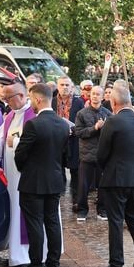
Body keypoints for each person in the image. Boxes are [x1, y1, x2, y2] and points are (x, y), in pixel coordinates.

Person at [12, 83, 70, 267]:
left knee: (35, 224)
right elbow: (67, 157)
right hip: (54, 180)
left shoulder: (34, 124)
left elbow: (20, 154)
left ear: (37, 99)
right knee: (53, 223)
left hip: (33, 181)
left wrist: (24, 169)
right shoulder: (63, 124)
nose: (31, 104)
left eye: (31, 99)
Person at [95, 85, 134, 267]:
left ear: (113, 102)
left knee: (116, 221)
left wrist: (106, 169)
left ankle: (116, 264)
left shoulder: (113, 121)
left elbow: (101, 154)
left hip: (115, 178)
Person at [0, 83, 42, 267]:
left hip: (29, 176)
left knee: (29, 215)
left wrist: (17, 140)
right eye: (4, 98)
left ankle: (30, 257)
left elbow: (38, 143)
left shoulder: (34, 115)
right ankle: (18, 255)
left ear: (21, 95)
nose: (6, 102)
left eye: (9, 98)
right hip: (12, 176)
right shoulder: (11, 115)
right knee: (15, 210)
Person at [74, 85, 112, 221]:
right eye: (93, 94)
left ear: (103, 97)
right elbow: (78, 132)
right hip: (87, 155)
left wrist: (105, 128)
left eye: (98, 94)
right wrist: (95, 128)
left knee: (103, 185)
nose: (95, 96)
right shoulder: (82, 113)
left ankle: (102, 210)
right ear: (90, 96)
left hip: (103, 155)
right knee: (83, 185)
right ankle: (82, 210)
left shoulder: (108, 113)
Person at [52, 76, 84, 211]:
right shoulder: (52, 101)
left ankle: (76, 200)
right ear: (57, 86)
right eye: (62, 85)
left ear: (71, 87)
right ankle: (56, 199)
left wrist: (74, 130)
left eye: (67, 85)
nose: (64, 87)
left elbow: (82, 120)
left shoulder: (78, 102)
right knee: (57, 170)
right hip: (57, 141)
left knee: (76, 171)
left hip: (74, 140)